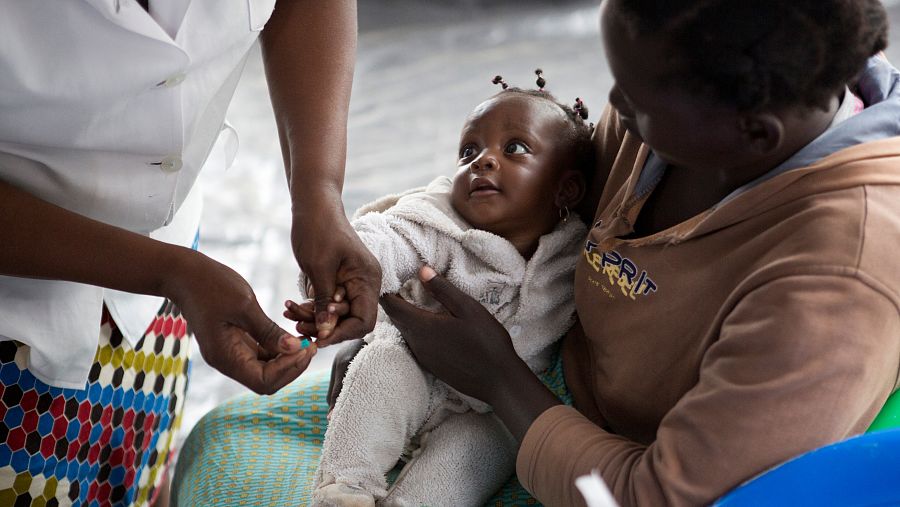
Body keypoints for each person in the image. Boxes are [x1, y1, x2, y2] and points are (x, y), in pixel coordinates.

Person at [172, 0, 900, 505]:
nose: (616, 104)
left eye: (641, 100)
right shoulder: (686, 110)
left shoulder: (836, 277)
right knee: (221, 438)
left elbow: (658, 496)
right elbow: (518, 206)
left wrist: (497, 377)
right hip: (537, 384)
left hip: (594, 466)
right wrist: (389, 273)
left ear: (756, 135)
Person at [0, 0, 379, 505]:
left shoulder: (181, 281)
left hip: (166, 290)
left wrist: (319, 193)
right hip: (16, 318)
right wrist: (171, 275)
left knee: (136, 479)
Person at [290, 73, 593, 506]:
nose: (482, 161)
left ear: (566, 188)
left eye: (515, 148)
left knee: (496, 446)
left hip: (491, 408)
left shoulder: (573, 255)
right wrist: (346, 278)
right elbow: (386, 240)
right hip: (414, 373)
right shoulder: (439, 221)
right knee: (384, 362)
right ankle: (345, 488)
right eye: (470, 151)